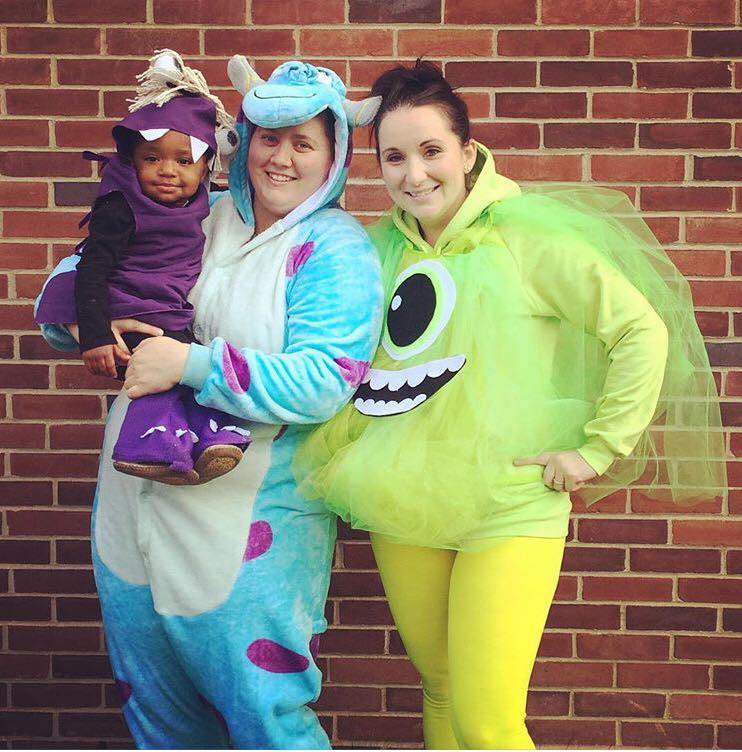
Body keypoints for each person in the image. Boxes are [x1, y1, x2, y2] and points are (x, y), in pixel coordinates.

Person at [296, 61, 726, 749]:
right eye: (395, 158)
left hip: (508, 504)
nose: (415, 175)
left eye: (431, 151)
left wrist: (597, 450)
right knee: (440, 688)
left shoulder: (528, 238)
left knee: (488, 721)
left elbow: (640, 330)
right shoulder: (377, 252)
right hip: (403, 499)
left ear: (467, 152)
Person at [39, 55, 383, 749]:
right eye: (269, 138)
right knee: (157, 713)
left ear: (335, 156)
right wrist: (89, 319)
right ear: (245, 139)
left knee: (263, 714)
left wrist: (191, 363)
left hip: (248, 525)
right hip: (133, 502)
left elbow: (325, 379)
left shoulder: (336, 250)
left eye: (303, 142)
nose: (281, 158)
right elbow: (81, 272)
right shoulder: (202, 211)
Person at [35, 50, 251, 485]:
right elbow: (91, 268)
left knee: (187, 369)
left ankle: (210, 440)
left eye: (183, 161)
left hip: (164, 310)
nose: (167, 171)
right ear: (132, 161)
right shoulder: (121, 207)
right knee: (159, 378)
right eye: (152, 158)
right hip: (124, 307)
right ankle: (147, 448)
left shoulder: (202, 206)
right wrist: (94, 334)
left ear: (206, 167)